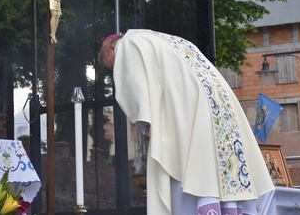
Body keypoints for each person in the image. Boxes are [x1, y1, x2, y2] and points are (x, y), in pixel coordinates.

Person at [98, 29, 274, 215]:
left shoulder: (127, 45)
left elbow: (136, 91)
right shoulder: (168, 40)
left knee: (186, 168)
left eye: (113, 64)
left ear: (112, 47)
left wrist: (145, 124)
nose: (116, 69)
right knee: (217, 167)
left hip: (188, 109)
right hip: (218, 105)